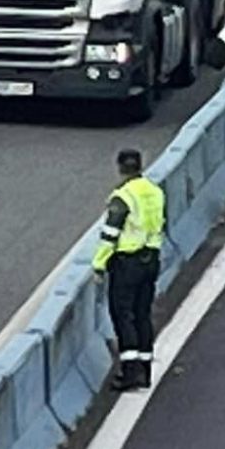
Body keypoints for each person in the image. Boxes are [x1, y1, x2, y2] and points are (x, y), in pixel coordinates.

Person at [92, 149, 166, 389]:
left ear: (121, 168)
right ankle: (145, 371)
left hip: (127, 263)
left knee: (123, 315)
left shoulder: (122, 196)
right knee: (143, 314)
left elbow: (110, 234)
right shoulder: (155, 192)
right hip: (151, 259)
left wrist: (99, 264)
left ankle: (129, 372)